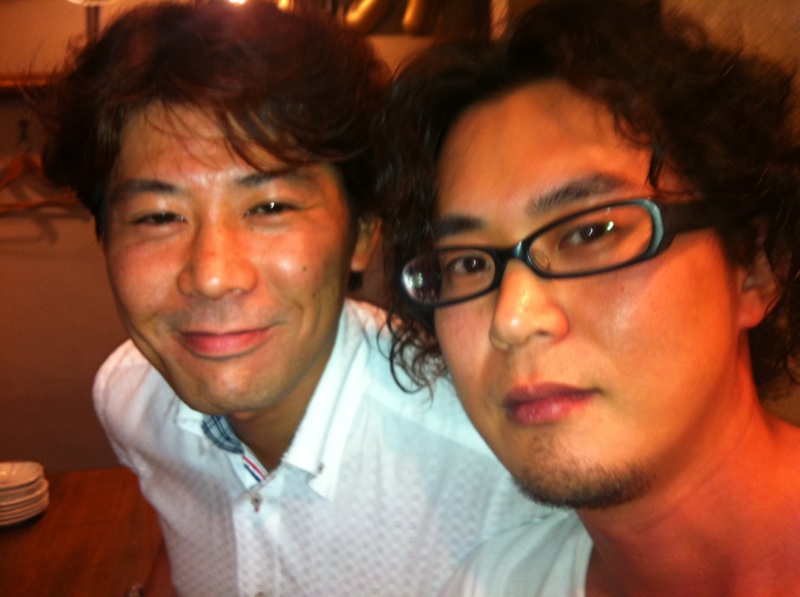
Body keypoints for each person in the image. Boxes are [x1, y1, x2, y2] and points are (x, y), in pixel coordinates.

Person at [36, 3, 547, 595]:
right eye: (158, 216)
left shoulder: (496, 464)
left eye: (270, 207)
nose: (212, 276)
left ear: (363, 233)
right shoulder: (130, 398)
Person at [383, 0, 800, 594]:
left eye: (591, 233)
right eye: (467, 264)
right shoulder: (494, 584)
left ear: (754, 268)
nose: (513, 318)